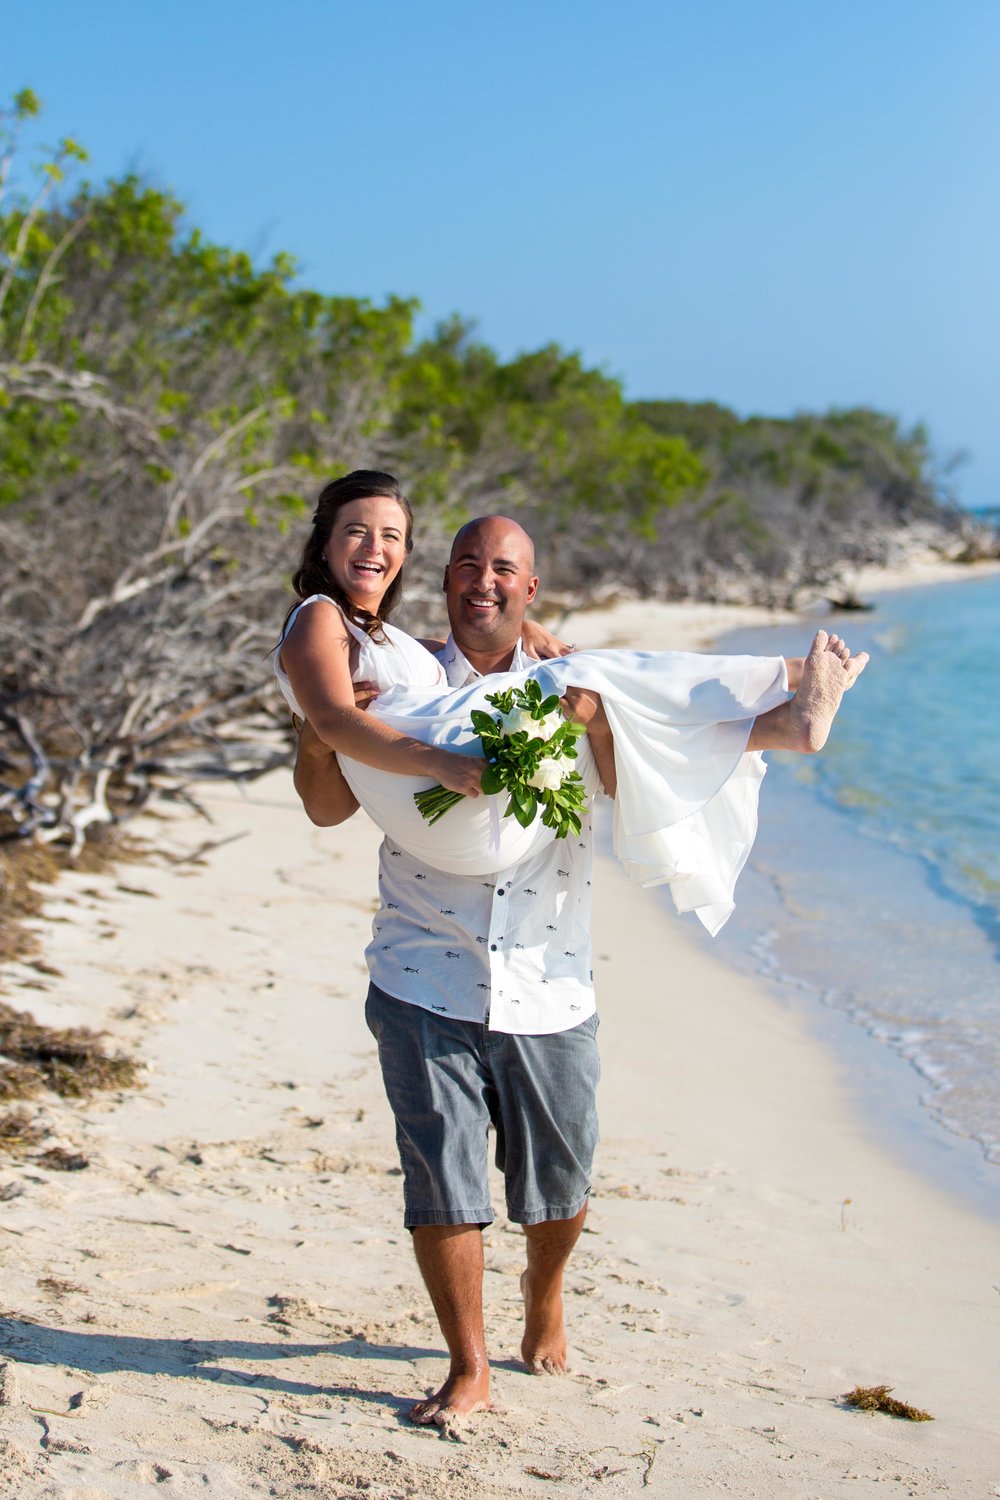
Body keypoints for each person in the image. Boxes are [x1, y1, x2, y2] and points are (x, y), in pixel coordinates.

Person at [279, 471, 867, 1428]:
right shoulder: (404, 675)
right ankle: (466, 1364)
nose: (481, 581)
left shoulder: (558, 679)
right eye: (466, 564)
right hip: (423, 969)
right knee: (444, 1184)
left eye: (501, 569)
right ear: (444, 582)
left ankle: (543, 1293)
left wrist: (569, 694)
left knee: (558, 1193)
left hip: (549, 979)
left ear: (528, 591)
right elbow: (327, 794)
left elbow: (642, 772)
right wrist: (324, 742)